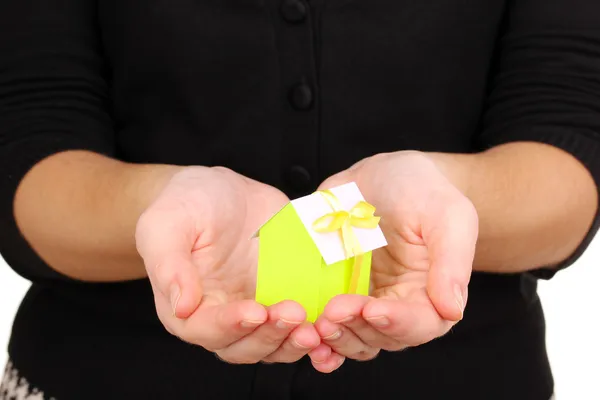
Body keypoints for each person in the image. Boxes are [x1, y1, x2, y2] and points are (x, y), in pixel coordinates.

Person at [0, 0, 599, 399]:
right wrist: (166, 208)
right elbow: (29, 143)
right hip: (95, 375)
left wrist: (437, 199)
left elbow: (568, 144)